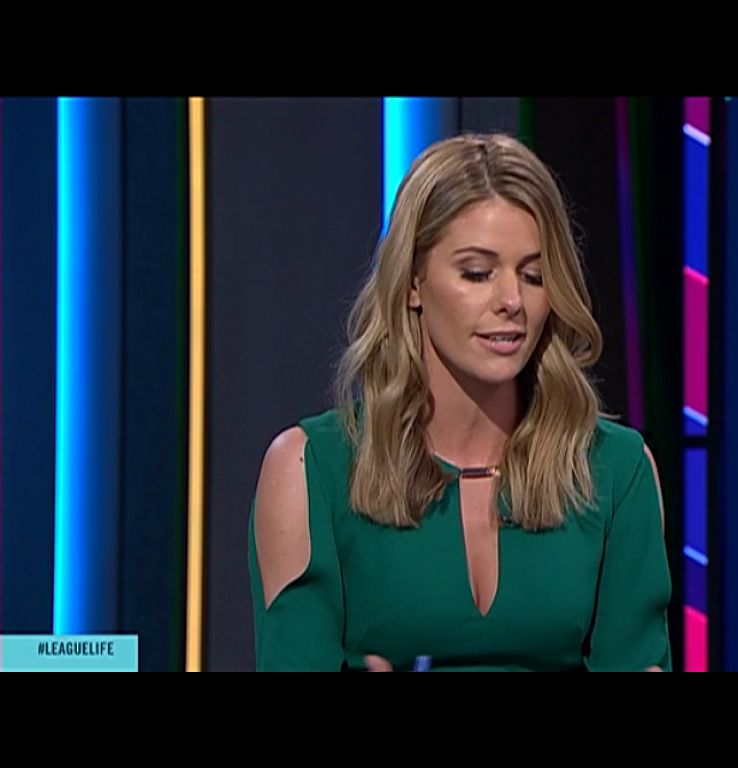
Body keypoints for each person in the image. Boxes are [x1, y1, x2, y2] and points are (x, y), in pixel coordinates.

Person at [248, 132, 672, 671]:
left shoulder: (615, 472)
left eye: (534, 276)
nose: (512, 301)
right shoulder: (312, 471)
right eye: (477, 273)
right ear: (413, 282)